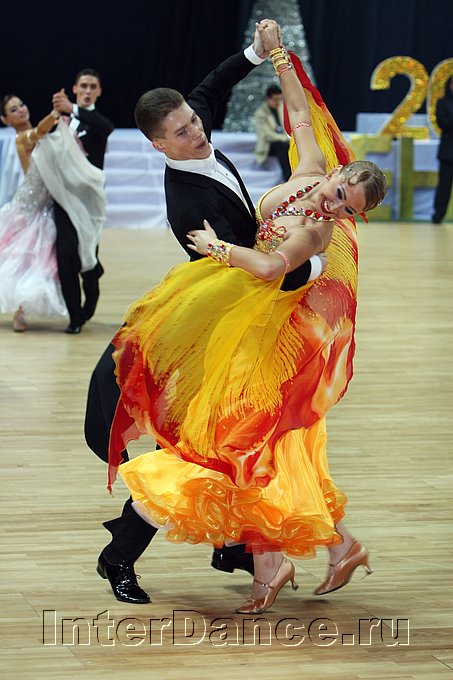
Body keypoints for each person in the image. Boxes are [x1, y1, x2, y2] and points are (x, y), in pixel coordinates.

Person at [107, 23, 387, 614]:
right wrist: (279, 56)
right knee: (259, 440)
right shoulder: (305, 171)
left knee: (242, 437)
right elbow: (300, 115)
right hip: (240, 320)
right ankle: (310, 551)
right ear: (334, 172)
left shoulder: (315, 230)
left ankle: (274, 557)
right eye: (339, 190)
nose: (334, 202)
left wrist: (220, 247)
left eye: (347, 207)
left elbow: (268, 267)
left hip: (266, 326)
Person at [0, 95, 105, 331]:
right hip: (27, 209)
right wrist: (57, 113)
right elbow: (39, 131)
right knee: (24, 258)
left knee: (43, 260)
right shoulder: (23, 138)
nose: (20, 110)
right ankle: (20, 310)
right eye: (13, 110)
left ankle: (88, 270)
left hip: (48, 206)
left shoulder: (46, 134)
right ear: (6, 119)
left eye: (21, 104)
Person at [51, 69, 114, 333]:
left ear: (98, 92)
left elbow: (106, 128)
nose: (88, 91)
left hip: (89, 201)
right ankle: (75, 317)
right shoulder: (59, 120)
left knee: (88, 256)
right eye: (83, 86)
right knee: (65, 257)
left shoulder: (95, 121)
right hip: (62, 198)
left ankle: (92, 286)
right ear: (75, 88)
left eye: (92, 87)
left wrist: (73, 109)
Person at [254, 84, 291, 180]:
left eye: (280, 99)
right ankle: (287, 177)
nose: (278, 102)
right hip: (268, 145)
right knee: (281, 146)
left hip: (283, 139)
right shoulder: (261, 113)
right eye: (275, 99)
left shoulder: (281, 108)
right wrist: (285, 138)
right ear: (268, 98)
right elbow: (267, 135)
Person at [432, 76, 453, 225]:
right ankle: (438, 214)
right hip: (448, 150)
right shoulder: (442, 102)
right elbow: (442, 123)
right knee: (444, 185)